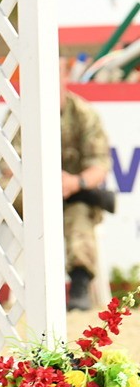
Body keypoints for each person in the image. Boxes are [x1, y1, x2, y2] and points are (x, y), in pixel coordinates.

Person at [58, 56, 112, 311]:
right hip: (31, 195)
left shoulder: (84, 114)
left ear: (66, 75)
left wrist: (73, 182)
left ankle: (79, 284)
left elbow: (99, 166)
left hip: (71, 191)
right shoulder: (21, 113)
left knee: (80, 211)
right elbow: (9, 164)